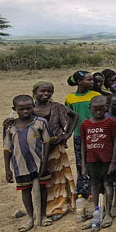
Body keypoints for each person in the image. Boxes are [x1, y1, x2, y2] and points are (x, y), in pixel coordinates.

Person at [29, 81, 78, 221]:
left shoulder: (56, 107)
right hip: (36, 150)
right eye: (42, 91)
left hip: (55, 148)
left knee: (58, 180)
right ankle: (41, 208)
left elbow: (74, 116)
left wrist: (67, 135)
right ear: (35, 92)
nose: (46, 94)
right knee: (40, 179)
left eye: (49, 91)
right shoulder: (28, 108)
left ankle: (58, 207)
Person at [3, 95, 52, 232]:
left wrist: (45, 162)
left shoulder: (40, 123)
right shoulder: (9, 127)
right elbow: (7, 148)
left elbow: (47, 142)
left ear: (33, 107)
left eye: (28, 108)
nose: (25, 111)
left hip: (39, 162)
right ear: (15, 109)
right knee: (25, 190)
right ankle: (30, 217)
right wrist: (7, 169)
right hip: (20, 164)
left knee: (42, 188)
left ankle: (42, 215)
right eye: (21, 109)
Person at [79, 96, 116, 231]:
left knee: (108, 184)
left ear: (106, 108)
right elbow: (83, 143)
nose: (98, 112)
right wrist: (83, 164)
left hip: (107, 160)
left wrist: (114, 161)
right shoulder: (85, 124)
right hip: (92, 160)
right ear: (90, 109)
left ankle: (108, 213)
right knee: (95, 186)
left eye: (102, 109)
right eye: (95, 109)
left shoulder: (111, 122)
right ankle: (97, 212)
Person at [64, 71, 100, 205]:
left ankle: (94, 188)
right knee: (81, 162)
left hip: (95, 133)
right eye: (89, 80)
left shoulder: (96, 95)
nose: (92, 82)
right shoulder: (70, 98)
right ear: (79, 82)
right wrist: (67, 134)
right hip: (79, 134)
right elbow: (69, 118)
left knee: (94, 160)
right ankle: (83, 189)